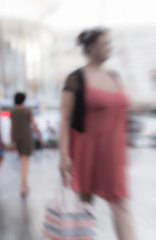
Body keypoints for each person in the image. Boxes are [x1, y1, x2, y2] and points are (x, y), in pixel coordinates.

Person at [59, 28, 136, 240]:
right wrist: (63, 154)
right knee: (84, 205)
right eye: (105, 44)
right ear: (91, 48)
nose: (109, 47)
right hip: (86, 150)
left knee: (120, 204)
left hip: (113, 153)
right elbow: (65, 119)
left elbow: (123, 110)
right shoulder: (76, 78)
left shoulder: (114, 76)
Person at [10, 92, 43, 196]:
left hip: (16, 137)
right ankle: (23, 185)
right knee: (25, 161)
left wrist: (11, 140)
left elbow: (12, 127)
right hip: (26, 137)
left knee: (22, 161)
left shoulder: (12, 111)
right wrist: (39, 135)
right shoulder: (27, 111)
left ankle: (24, 184)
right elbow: (33, 124)